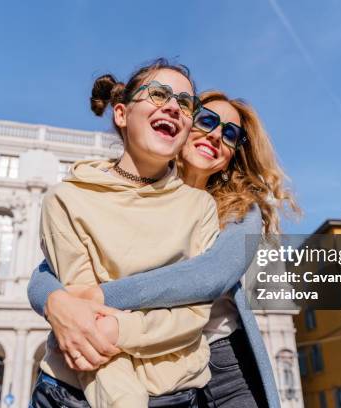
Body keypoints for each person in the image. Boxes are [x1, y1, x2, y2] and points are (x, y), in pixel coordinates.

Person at [29, 88, 299, 407]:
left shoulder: (243, 210)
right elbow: (53, 264)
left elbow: (209, 276)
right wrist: (53, 300)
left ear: (233, 154)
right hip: (155, 361)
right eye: (207, 121)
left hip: (224, 362)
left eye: (230, 134)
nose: (215, 135)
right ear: (183, 126)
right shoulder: (133, 191)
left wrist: (98, 296)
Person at [33, 58, 220, 408]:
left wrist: (119, 329)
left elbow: (194, 313)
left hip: (178, 396)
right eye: (159, 94)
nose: (174, 108)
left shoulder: (200, 207)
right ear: (121, 114)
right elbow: (82, 323)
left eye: (185, 103)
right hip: (74, 394)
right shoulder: (66, 199)